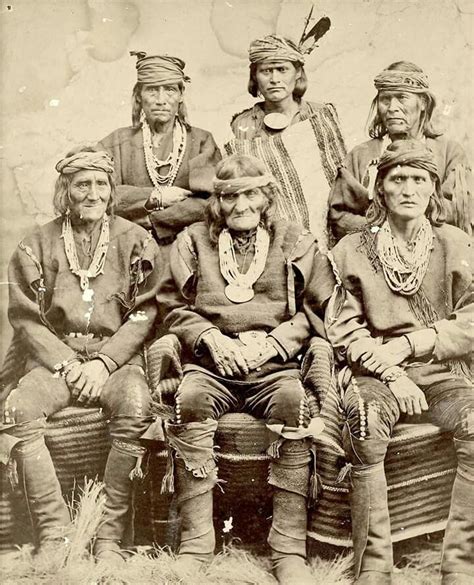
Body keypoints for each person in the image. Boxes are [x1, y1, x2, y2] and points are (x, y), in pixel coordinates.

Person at [154, 154, 334, 584]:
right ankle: (197, 544)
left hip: (273, 367)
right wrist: (212, 339)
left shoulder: (296, 241)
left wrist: (275, 341)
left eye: (251, 194)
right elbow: (170, 306)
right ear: (217, 201)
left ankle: (287, 548)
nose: (241, 205)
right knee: (191, 399)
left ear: (267, 197)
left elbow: (319, 309)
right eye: (230, 196)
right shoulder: (193, 240)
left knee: (294, 401)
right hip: (212, 365)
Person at [0, 147, 161, 562]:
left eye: (101, 184)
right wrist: (70, 365)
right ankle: (56, 535)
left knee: (135, 403)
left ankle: (109, 536)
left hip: (117, 361)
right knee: (19, 409)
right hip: (56, 361)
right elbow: (26, 318)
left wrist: (105, 363)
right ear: (65, 191)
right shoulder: (36, 243)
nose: (92, 193)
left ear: (111, 192)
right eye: (81, 184)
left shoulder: (136, 239)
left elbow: (146, 311)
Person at [325, 140, 473, 584]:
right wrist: (392, 372)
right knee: (366, 428)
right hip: (375, 375)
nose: (409, 189)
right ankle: (373, 569)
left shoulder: (454, 242)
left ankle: (460, 565)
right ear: (380, 190)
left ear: (433, 189)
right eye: (397, 179)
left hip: (439, 369)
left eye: (419, 180)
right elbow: (344, 330)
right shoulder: (352, 249)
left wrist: (415, 344)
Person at [226, 34, 346, 252]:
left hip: (329, 226)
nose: (274, 79)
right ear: (255, 76)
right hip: (274, 235)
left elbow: (339, 177)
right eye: (266, 71)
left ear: (298, 72)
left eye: (282, 69)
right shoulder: (243, 124)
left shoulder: (320, 115)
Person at [329, 61, 473, 241]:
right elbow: (340, 216)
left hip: (434, 249)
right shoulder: (361, 155)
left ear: (423, 103)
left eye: (402, 97)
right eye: (385, 99)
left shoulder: (449, 152)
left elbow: (457, 211)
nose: (392, 108)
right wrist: (382, 233)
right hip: (373, 249)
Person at [99, 52, 221, 247]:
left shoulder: (201, 141)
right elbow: (102, 195)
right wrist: (156, 196)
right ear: (139, 96)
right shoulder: (116, 142)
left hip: (188, 246)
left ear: (181, 95)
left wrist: (156, 221)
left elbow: (210, 201)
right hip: (128, 244)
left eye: (170, 90)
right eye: (152, 90)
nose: (161, 99)